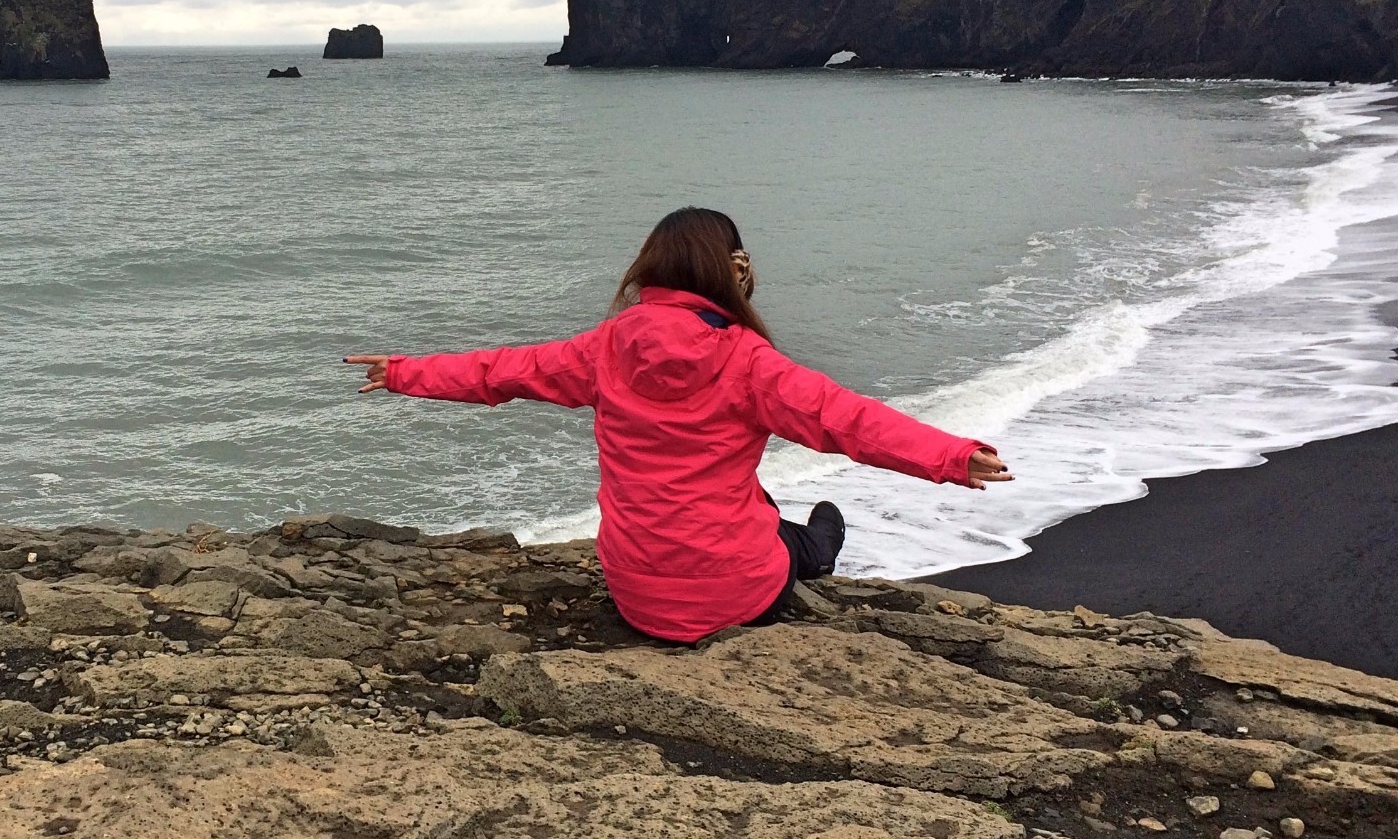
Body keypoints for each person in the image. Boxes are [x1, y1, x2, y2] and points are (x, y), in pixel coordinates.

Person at [346, 206, 1011, 644]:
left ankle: (808, 537)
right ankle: (825, 549)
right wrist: (953, 457)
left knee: (757, 505)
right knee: (796, 535)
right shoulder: (748, 359)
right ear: (734, 271)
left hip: (636, 596)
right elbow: (848, 420)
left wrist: (404, 372)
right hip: (735, 597)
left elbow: (499, 371)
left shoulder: (605, 347)